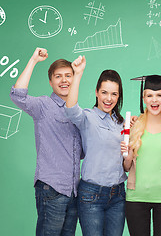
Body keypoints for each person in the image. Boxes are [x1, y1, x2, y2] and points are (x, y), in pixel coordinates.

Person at [9, 48, 83, 236]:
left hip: (74, 192)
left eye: (68, 75)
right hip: (52, 190)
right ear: (50, 81)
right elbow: (18, 95)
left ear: (74, 79)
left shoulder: (78, 113)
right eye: (58, 76)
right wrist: (33, 60)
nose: (64, 80)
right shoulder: (43, 105)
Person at [64, 55, 127, 236]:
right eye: (105, 92)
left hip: (118, 196)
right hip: (91, 195)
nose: (109, 98)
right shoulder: (87, 117)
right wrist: (78, 74)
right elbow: (70, 108)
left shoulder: (122, 123)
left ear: (118, 96)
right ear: (96, 92)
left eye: (114, 94)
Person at [122, 75, 161, 236]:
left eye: (159, 95)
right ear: (144, 98)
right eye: (149, 95)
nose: (154, 100)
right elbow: (126, 167)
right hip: (136, 198)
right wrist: (127, 154)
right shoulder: (132, 126)